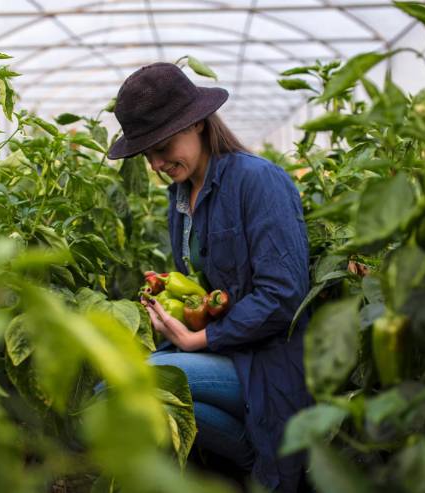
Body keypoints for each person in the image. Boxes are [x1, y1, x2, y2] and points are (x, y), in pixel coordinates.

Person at [107, 62, 313, 492]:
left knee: (131, 385)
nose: (158, 162)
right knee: (148, 395)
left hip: (267, 358)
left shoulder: (258, 181)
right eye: (147, 153)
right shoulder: (180, 197)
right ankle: (245, 461)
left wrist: (195, 340)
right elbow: (203, 289)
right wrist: (171, 309)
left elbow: (284, 294)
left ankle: (253, 456)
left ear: (198, 123)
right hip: (227, 353)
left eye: (163, 146)